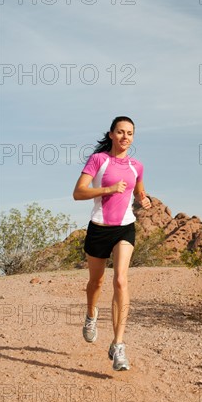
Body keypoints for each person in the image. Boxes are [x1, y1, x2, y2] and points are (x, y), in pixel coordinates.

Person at [73, 116, 151, 371]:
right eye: (120, 132)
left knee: (120, 280)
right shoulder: (99, 160)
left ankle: (118, 346)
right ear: (111, 134)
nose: (125, 137)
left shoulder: (136, 165)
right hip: (98, 229)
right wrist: (108, 190)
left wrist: (144, 198)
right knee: (96, 282)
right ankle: (91, 315)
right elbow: (78, 192)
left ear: (133, 137)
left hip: (124, 229)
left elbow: (139, 190)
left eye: (129, 133)